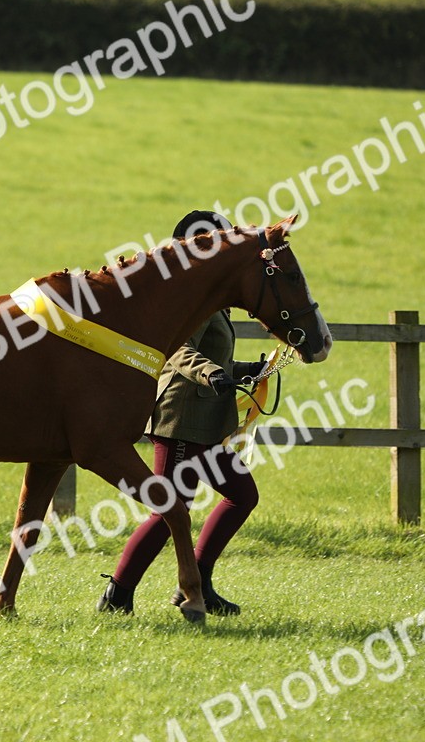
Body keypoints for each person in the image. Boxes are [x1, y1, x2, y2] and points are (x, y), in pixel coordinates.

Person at [98, 210, 266, 616]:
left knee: (242, 495)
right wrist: (211, 374)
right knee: (169, 510)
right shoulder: (191, 298)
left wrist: (246, 371)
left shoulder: (212, 296)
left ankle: (199, 580)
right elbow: (178, 350)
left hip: (208, 420)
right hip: (180, 416)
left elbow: (210, 355)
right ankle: (117, 596)